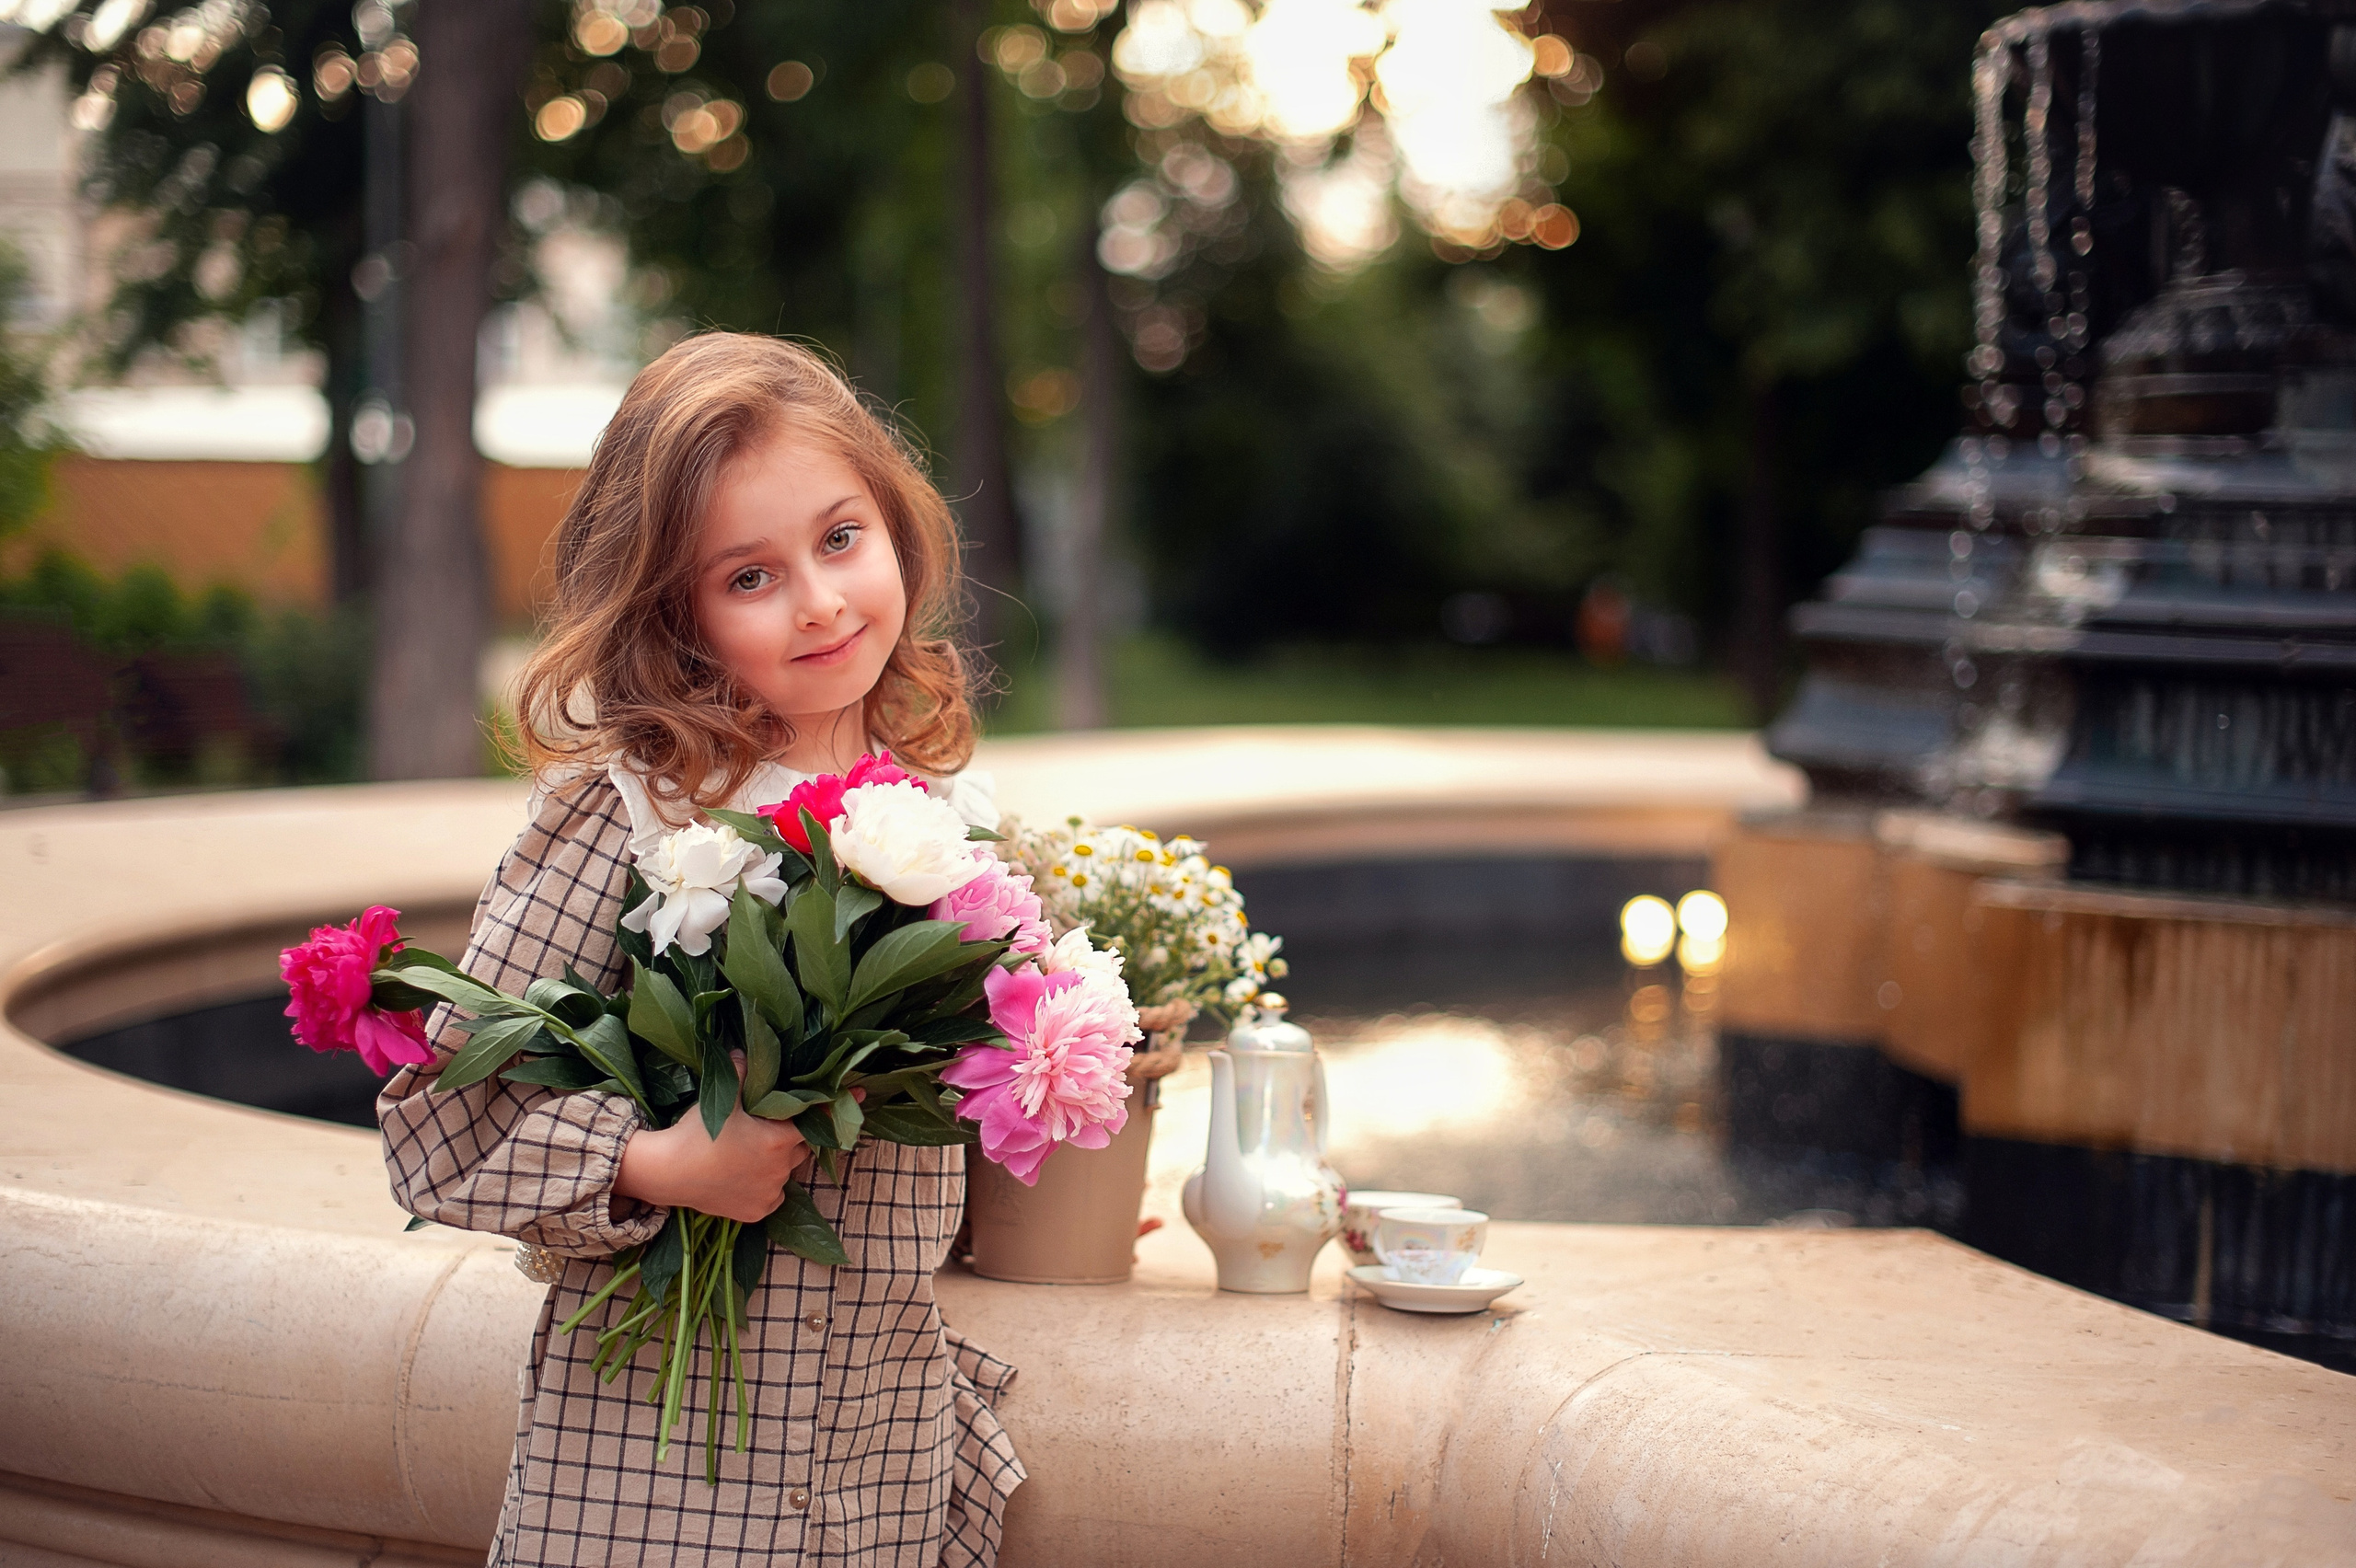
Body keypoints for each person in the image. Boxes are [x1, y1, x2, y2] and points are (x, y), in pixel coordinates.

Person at [378, 333, 1022, 1568]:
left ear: (896, 527)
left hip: (876, 1466)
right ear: (675, 614)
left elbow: (933, 1111)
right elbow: (437, 1129)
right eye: (750, 576)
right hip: (667, 1486)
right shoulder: (634, 813)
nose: (824, 601)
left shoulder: (955, 827)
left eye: (842, 539)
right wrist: (662, 1162)